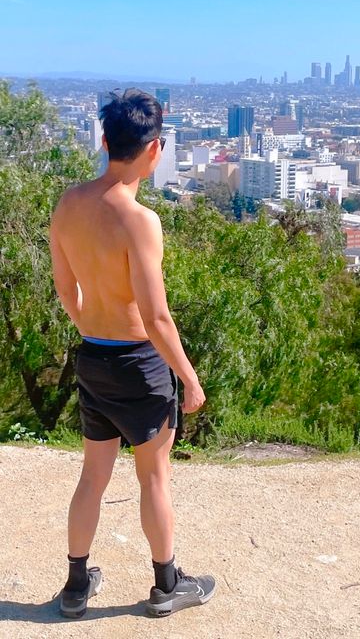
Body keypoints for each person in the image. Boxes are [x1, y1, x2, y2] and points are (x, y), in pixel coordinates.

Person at [49, 88, 215, 619]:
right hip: (140, 366)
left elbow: (65, 291)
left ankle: (76, 585)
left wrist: (89, 325)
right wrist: (188, 379)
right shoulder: (140, 220)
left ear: (104, 140)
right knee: (153, 478)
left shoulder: (68, 204)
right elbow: (157, 317)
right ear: (154, 150)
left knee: (92, 476)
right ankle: (168, 584)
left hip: (92, 358)